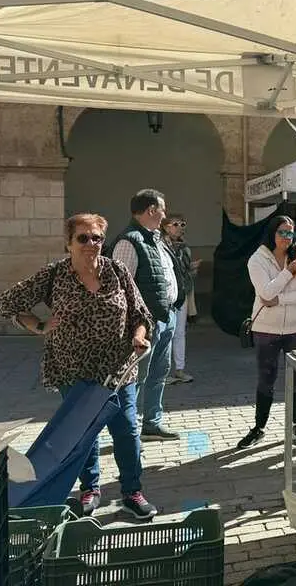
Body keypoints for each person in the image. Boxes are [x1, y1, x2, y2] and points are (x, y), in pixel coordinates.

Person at [0, 214, 157, 519]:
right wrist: (39, 325)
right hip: (74, 371)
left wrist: (139, 338)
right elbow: (8, 302)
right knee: (83, 434)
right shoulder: (55, 274)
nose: (91, 244)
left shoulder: (117, 271)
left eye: (97, 237)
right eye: (83, 238)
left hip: (118, 370)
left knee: (126, 431)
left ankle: (132, 490)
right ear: (68, 243)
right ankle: (89, 489)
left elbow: (140, 315)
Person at [110, 189, 185, 442]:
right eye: (162, 209)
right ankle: (129, 432)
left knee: (158, 373)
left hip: (166, 316)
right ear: (152, 210)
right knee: (136, 379)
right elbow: (121, 290)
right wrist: (134, 328)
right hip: (144, 325)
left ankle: (151, 424)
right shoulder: (129, 241)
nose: (165, 214)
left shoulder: (155, 238)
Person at [237, 216, 296, 450]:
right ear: (272, 233)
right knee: (266, 379)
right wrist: (289, 272)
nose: (286, 238)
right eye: (282, 232)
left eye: (291, 233)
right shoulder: (257, 259)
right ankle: (259, 427)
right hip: (267, 329)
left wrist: (279, 300)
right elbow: (264, 291)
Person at [161, 214, 197, 384]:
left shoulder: (184, 248)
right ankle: (163, 372)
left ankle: (180, 370)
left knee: (180, 332)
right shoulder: (160, 245)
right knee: (165, 333)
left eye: (183, 224)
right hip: (167, 296)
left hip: (181, 293)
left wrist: (192, 270)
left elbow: (186, 270)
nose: (181, 227)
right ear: (166, 227)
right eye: (176, 224)